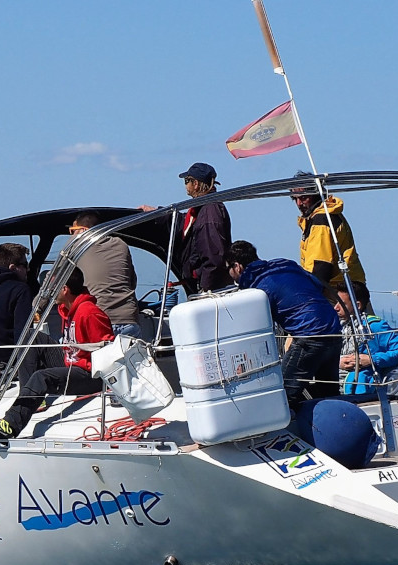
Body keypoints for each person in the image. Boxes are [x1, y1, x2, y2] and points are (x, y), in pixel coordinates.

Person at [0, 269, 115, 440]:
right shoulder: (67, 309)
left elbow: (108, 349)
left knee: (41, 377)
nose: (50, 291)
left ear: (65, 289)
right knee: (31, 336)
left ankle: (10, 425)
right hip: (72, 362)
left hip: (90, 375)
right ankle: (30, 396)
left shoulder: (90, 313)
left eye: (54, 287)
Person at [226, 240, 342, 410]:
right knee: (329, 390)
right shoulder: (285, 264)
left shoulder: (255, 291)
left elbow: (255, 327)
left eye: (228, 269)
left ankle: (285, 433)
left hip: (309, 335)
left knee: (282, 394)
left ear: (237, 267)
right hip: (333, 328)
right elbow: (317, 284)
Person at [141, 162, 233, 295]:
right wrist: (155, 213)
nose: (185, 186)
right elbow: (183, 222)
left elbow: (214, 259)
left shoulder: (209, 212)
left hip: (210, 292)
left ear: (195, 184)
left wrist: (205, 291)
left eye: (186, 181)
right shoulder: (202, 209)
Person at [290, 172, 373, 315]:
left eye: (303, 198)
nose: (299, 204)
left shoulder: (321, 221)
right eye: (295, 199)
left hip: (338, 294)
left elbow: (322, 267)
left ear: (316, 194)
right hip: (353, 288)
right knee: (366, 332)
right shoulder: (327, 215)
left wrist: (306, 300)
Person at [66, 211, 142, 340]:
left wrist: (37, 307)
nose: (72, 235)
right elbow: (132, 281)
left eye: (73, 230)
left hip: (99, 319)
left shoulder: (76, 244)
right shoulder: (121, 244)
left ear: (83, 230)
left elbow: (54, 279)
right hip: (129, 319)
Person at [336, 300, 398, 395]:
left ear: (357, 305)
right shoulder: (332, 326)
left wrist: (371, 359)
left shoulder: (374, 326)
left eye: (341, 303)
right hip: (330, 383)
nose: (336, 308)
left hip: (355, 391)